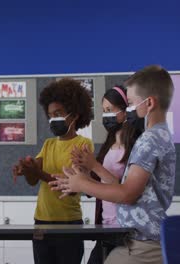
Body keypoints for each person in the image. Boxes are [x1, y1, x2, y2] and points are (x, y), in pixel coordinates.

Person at [51, 65, 176, 264]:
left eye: (132, 103)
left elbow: (127, 194)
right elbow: (125, 188)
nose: (129, 110)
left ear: (149, 103)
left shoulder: (149, 140)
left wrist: (81, 184)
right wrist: (83, 179)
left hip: (141, 245)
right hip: (139, 240)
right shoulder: (161, 135)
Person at [13, 78, 94, 264]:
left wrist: (38, 173)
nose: (53, 119)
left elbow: (70, 187)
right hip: (41, 221)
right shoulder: (48, 144)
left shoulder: (83, 144)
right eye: (50, 115)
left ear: (74, 115)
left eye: (58, 113)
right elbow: (34, 180)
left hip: (69, 224)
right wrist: (25, 170)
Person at [71, 86, 141, 264]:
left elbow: (124, 189)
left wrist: (94, 165)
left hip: (124, 230)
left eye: (110, 110)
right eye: (103, 111)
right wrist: (82, 173)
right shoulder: (108, 145)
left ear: (125, 111)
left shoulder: (136, 146)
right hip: (105, 227)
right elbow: (96, 186)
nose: (106, 116)